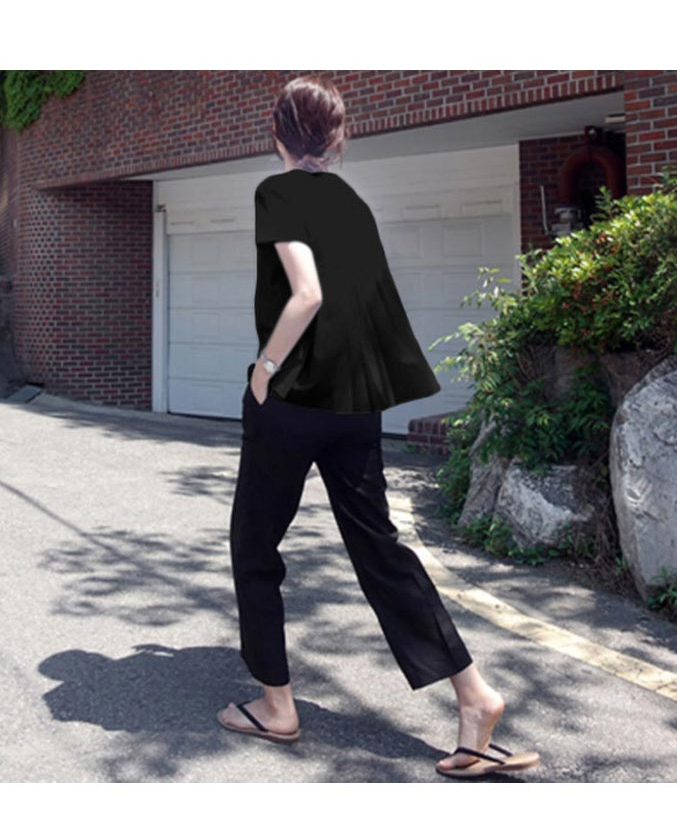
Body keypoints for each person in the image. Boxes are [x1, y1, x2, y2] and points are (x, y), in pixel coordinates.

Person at [217, 75, 540, 778]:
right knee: (380, 549)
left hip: (293, 402)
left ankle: (277, 706)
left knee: (254, 544)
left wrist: (265, 368)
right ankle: (475, 695)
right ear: (335, 138)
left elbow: (307, 294)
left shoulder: (277, 192)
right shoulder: (352, 202)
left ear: (278, 133)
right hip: (355, 407)